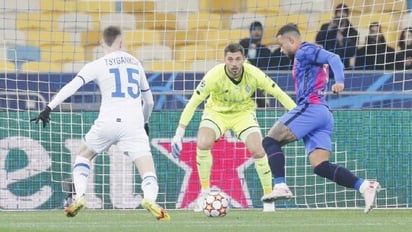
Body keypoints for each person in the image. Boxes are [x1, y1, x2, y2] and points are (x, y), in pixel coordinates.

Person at [31, 26, 170, 220]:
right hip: (133, 123)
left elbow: (72, 86)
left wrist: (48, 108)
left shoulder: (97, 64)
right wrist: (145, 123)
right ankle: (150, 199)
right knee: (147, 168)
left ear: (102, 43)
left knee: (83, 155)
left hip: (108, 121)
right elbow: (149, 101)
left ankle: (79, 196)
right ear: (121, 42)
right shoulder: (135, 62)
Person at [261, 24, 381, 214]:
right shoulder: (306, 57)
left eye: (282, 45)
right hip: (324, 113)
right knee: (321, 166)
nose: (281, 50)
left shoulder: (304, 50)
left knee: (269, 141)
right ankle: (365, 186)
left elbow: (334, 57)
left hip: (311, 107)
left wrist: (340, 81)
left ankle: (280, 185)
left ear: (291, 40)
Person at [171, 43, 296, 212]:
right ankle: (205, 192)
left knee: (259, 150)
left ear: (244, 59)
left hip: (243, 114)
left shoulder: (254, 73)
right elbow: (193, 102)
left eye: (238, 59)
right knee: (203, 143)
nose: (234, 64)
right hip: (216, 114)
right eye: (230, 59)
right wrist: (179, 133)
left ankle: (269, 198)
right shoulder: (214, 75)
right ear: (224, 60)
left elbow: (279, 93)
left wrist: (299, 116)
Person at [315, 3, 359, 68]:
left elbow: (352, 52)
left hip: (343, 64)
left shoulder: (353, 32)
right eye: (339, 12)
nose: (341, 14)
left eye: (343, 12)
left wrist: (342, 40)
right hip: (327, 63)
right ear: (335, 14)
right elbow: (318, 40)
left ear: (347, 14)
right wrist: (329, 28)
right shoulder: (326, 26)